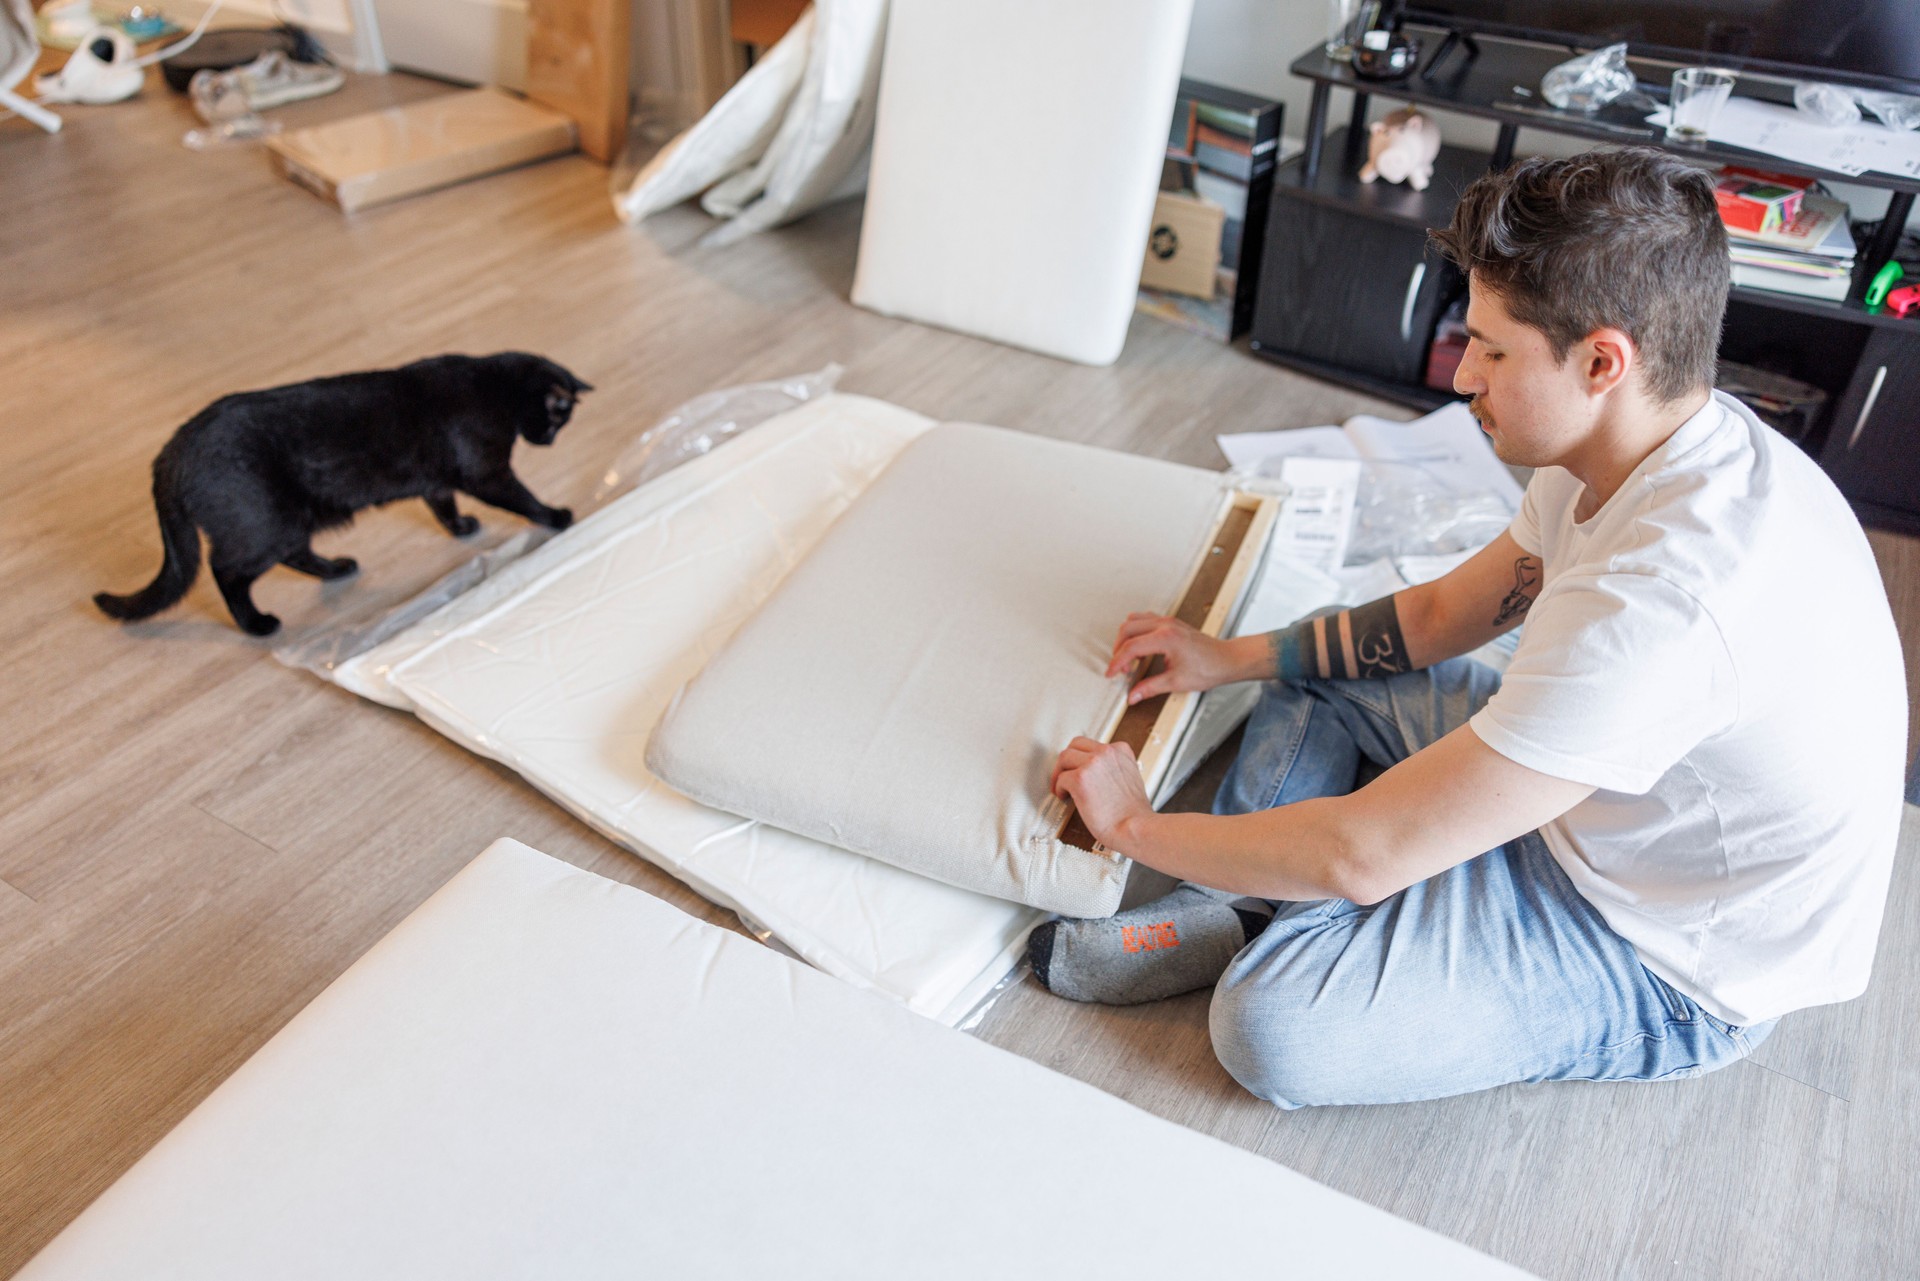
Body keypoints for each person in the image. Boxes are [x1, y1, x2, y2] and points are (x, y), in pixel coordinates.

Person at [1036, 147, 1907, 1109]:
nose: (1461, 377)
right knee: (1327, 649)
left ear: (1603, 361)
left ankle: (1252, 913)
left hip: (1661, 947)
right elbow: (1443, 614)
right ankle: (1235, 901)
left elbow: (1361, 855)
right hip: (1599, 798)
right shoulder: (1632, 442)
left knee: (1270, 1028)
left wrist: (1136, 825)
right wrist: (1228, 659)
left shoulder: (1663, 604)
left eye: (1492, 349)